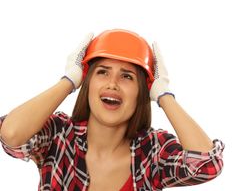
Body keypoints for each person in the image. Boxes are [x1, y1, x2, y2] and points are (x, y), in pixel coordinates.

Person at [0, 29, 224, 191]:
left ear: (142, 91)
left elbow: (206, 164)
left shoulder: (153, 152)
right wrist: (68, 81)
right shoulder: (59, 135)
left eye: (127, 76)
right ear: (87, 83)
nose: (112, 84)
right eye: (102, 72)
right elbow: (11, 135)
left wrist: (163, 95)